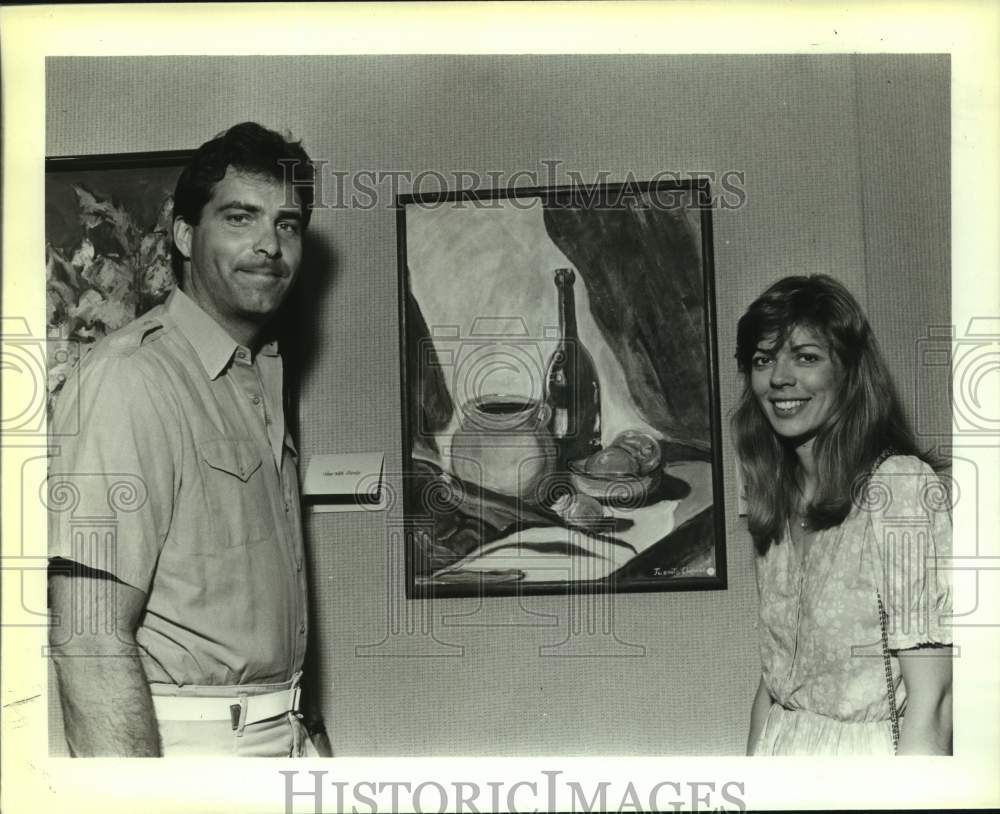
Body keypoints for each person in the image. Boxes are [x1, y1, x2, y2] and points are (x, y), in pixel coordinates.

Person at [47, 122, 327, 757]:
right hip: (184, 747)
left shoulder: (254, 376)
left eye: (286, 224)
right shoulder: (131, 378)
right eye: (239, 218)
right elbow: (88, 638)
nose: (269, 245)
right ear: (182, 234)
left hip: (278, 732)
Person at [734, 274, 952, 756]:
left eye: (806, 356)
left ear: (849, 372)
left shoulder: (898, 488)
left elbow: (933, 700)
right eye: (763, 359)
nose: (779, 377)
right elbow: (772, 687)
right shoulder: (775, 497)